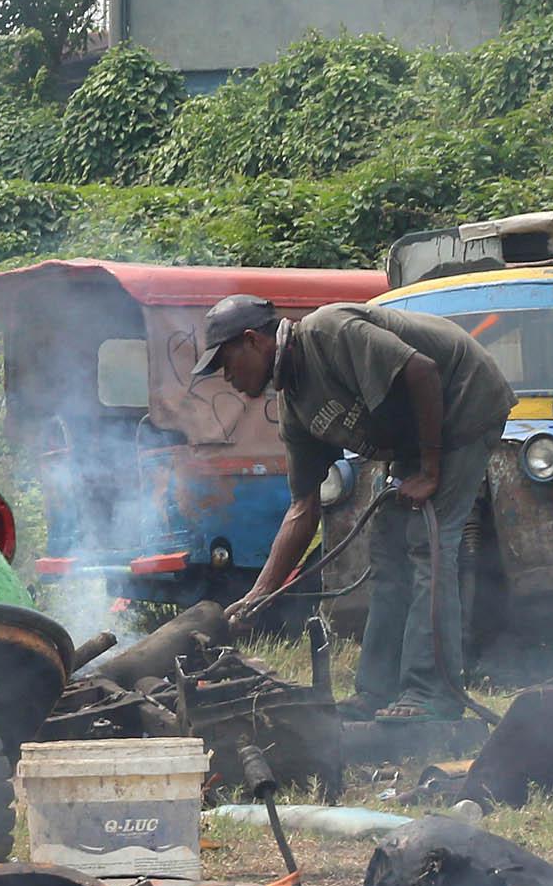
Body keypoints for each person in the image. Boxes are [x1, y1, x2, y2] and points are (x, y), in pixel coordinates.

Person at [211, 294, 513, 720]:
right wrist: (259, 595)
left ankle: (432, 694)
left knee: (429, 545)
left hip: (465, 404)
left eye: (226, 363)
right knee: (387, 551)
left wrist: (428, 470)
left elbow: (421, 370)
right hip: (418, 437)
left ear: (252, 341)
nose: (227, 377)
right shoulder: (295, 408)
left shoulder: (327, 331)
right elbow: (303, 508)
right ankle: (377, 691)